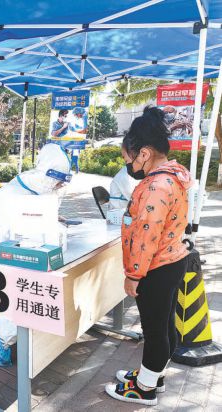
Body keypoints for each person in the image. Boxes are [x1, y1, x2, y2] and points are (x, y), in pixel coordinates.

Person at [104, 106, 191, 406]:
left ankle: (144, 389)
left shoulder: (156, 185)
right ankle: (153, 376)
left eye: (127, 159)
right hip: (171, 260)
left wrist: (133, 275)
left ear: (144, 153)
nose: (127, 165)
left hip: (155, 267)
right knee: (164, 326)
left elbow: (145, 237)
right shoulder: (174, 177)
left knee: (154, 331)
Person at [0, 143, 72, 366]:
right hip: (6, 257)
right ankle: (0, 334)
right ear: (49, 174)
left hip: (29, 253)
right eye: (59, 180)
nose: (60, 186)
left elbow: (35, 218)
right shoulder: (9, 194)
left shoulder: (38, 188)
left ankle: (25, 332)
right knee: (25, 288)